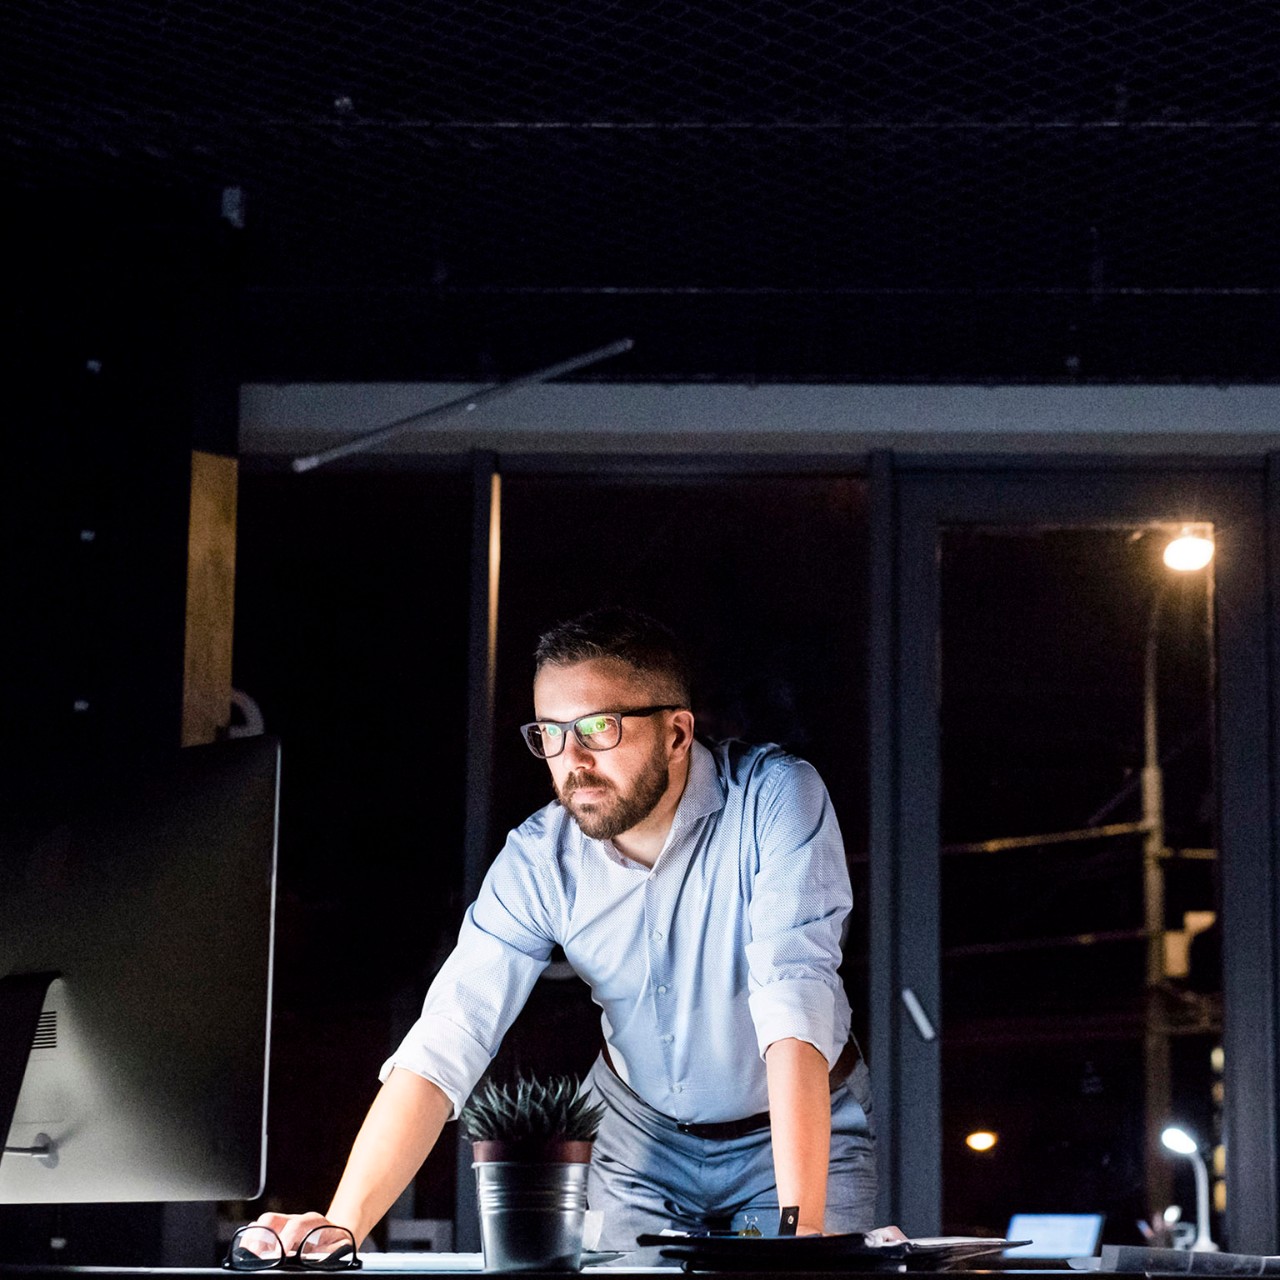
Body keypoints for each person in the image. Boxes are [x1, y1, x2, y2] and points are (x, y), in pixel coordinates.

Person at [255, 607, 892, 1252]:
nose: (573, 760)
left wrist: (796, 1227)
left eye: (598, 728)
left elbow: (793, 994)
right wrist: (341, 1227)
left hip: (796, 1131)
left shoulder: (776, 798)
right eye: (551, 734)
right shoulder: (541, 858)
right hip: (637, 1143)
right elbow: (450, 1034)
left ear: (676, 733)